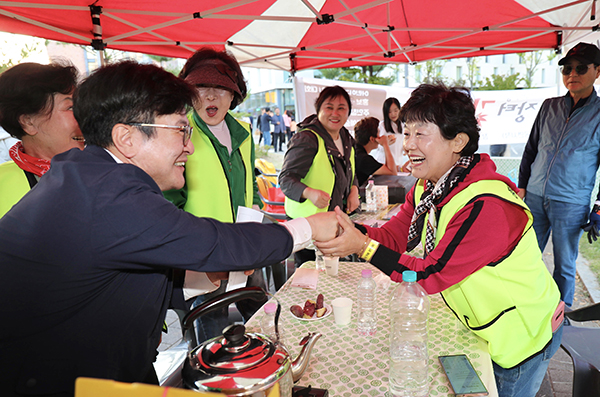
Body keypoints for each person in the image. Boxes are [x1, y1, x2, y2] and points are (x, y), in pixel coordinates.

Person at [0, 61, 338, 397]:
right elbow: (213, 242)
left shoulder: (90, 175)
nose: (189, 146)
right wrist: (311, 227)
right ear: (127, 138)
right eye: (180, 129)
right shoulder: (105, 191)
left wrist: (208, 277)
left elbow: (123, 276)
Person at [318, 83, 563, 397]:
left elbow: (427, 273)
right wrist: (347, 231)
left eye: (421, 134)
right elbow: (393, 238)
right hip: (483, 326)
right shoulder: (430, 187)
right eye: (407, 133)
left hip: (522, 336)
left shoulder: (486, 205)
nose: (408, 145)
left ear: (458, 141)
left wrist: (361, 247)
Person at [165, 47, 268, 343]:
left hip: (246, 250)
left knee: (267, 321)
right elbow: (168, 205)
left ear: (234, 95)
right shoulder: (180, 135)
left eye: (220, 88)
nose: (210, 96)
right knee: (210, 341)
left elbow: (250, 190)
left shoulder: (244, 134)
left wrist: (255, 230)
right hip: (204, 260)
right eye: (201, 87)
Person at [518, 42, 600, 308]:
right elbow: (530, 150)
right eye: (567, 69)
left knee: (565, 264)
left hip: (571, 202)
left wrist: (599, 205)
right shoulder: (548, 106)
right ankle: (526, 306)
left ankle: (560, 316)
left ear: (597, 71)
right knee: (525, 257)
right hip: (534, 195)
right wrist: (522, 187)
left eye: (580, 68)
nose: (572, 74)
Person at [279, 85, 359, 265]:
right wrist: (309, 192)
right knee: (310, 278)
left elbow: (350, 170)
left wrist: (354, 189)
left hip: (332, 222)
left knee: (333, 276)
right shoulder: (307, 138)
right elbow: (285, 179)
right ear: (319, 110)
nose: (335, 113)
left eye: (341, 108)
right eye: (329, 107)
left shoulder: (345, 137)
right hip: (308, 225)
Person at [0, 62, 84, 217]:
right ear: (28, 122)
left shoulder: (102, 171)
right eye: (70, 108)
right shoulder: (3, 182)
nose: (83, 116)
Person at [353, 116, 397, 186]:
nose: (381, 137)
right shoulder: (363, 159)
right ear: (372, 139)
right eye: (379, 134)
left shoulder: (355, 150)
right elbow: (392, 173)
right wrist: (385, 145)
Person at [371, 97, 407, 170]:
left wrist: (406, 149)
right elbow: (376, 145)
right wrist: (385, 143)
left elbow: (402, 144)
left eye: (396, 110)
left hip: (397, 164)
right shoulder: (382, 125)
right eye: (389, 112)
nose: (393, 114)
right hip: (383, 163)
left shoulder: (403, 126)